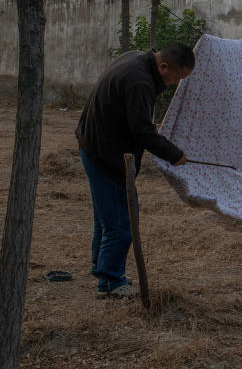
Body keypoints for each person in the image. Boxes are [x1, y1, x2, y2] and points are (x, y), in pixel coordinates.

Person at [76, 44, 194, 298]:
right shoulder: (140, 81)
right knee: (122, 222)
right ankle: (110, 283)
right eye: (176, 77)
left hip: (93, 142)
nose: (174, 84)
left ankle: (103, 267)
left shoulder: (135, 58)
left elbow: (133, 119)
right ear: (163, 67)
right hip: (103, 153)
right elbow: (142, 131)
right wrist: (175, 155)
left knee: (107, 218)